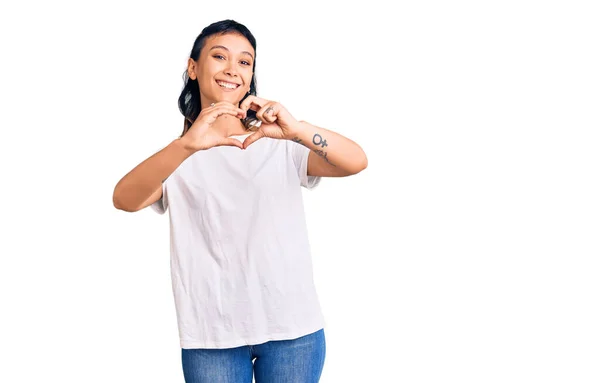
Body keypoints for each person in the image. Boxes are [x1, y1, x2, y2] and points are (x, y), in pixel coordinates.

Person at [112, 19, 368, 383]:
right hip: (211, 336)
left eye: (245, 62)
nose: (233, 69)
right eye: (220, 56)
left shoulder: (279, 143)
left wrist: (296, 129)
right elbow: (124, 200)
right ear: (193, 67)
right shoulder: (179, 156)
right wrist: (185, 145)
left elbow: (356, 161)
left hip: (293, 331)